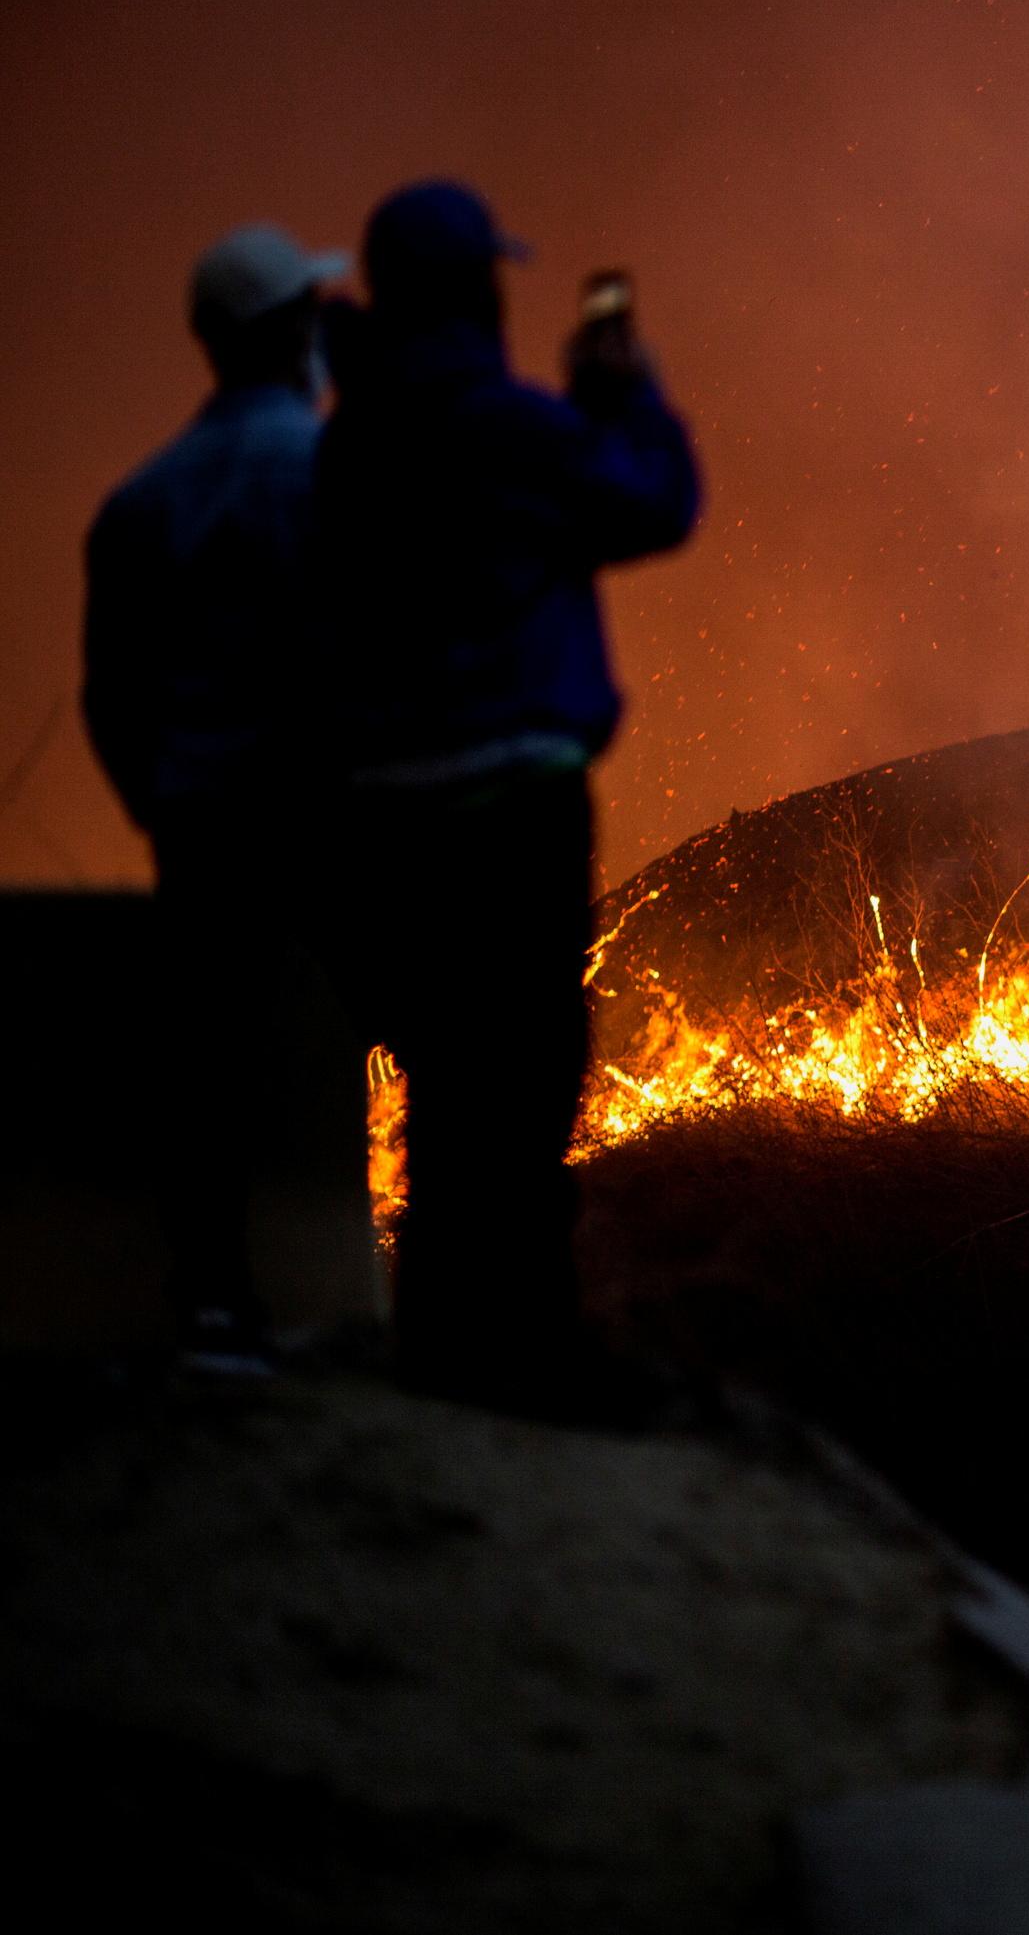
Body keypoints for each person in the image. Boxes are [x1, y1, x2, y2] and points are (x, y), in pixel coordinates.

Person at [312, 180, 701, 1415]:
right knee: (525, 1086)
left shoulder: (349, 443)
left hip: (388, 823)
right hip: (513, 814)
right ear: (480, 287)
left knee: (441, 1092)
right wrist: (617, 389)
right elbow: (651, 502)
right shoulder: (509, 429)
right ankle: (536, 1359)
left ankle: (433, 1353)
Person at [82, 220, 353, 1370]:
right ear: (295, 331)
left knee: (210, 1065)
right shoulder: (346, 478)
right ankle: (425, 1291)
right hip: (331, 816)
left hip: (201, 822)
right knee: (417, 1036)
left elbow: (110, 700)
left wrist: (167, 798)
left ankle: (215, 1310)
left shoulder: (141, 502)